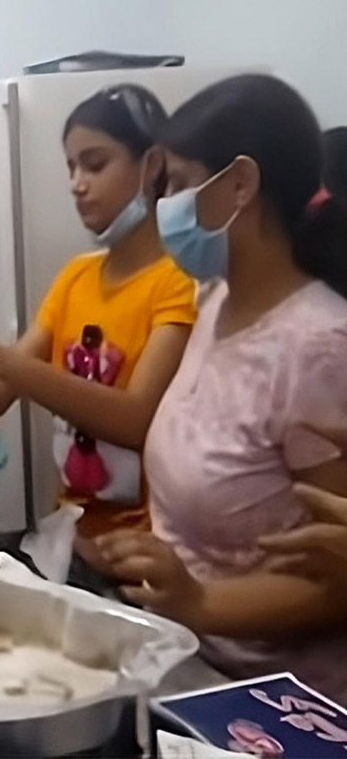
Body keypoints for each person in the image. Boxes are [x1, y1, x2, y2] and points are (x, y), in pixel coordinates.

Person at [96, 74, 347, 701]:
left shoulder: (319, 349)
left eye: (179, 183)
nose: (165, 207)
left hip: (280, 699)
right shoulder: (215, 303)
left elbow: (335, 578)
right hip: (193, 664)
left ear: (240, 185)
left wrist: (200, 599)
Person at [0, 85, 195, 559]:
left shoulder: (179, 283)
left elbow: (136, 419)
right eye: (71, 167)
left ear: (153, 165)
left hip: (146, 551)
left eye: (94, 165)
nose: (77, 183)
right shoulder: (77, 276)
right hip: (70, 541)